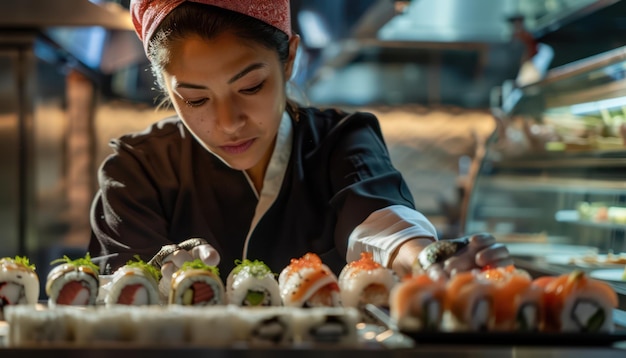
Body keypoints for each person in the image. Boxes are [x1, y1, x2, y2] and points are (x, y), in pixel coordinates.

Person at [88, 0, 512, 284]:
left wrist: (428, 258)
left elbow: (382, 225)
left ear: (290, 58)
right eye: (196, 98)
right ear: (165, 86)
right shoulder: (137, 168)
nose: (229, 123)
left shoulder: (340, 140)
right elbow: (123, 296)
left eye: (251, 87)